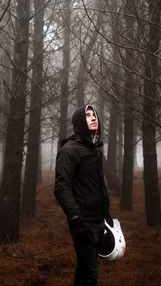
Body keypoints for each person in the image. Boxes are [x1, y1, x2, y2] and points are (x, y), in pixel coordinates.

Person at [54, 104, 112, 286]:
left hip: (98, 220)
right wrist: (77, 219)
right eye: (88, 115)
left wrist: (106, 216)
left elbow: (98, 187)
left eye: (94, 114)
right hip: (83, 223)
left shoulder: (93, 149)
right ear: (80, 121)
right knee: (89, 275)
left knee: (84, 269)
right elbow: (61, 188)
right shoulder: (69, 151)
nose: (94, 117)